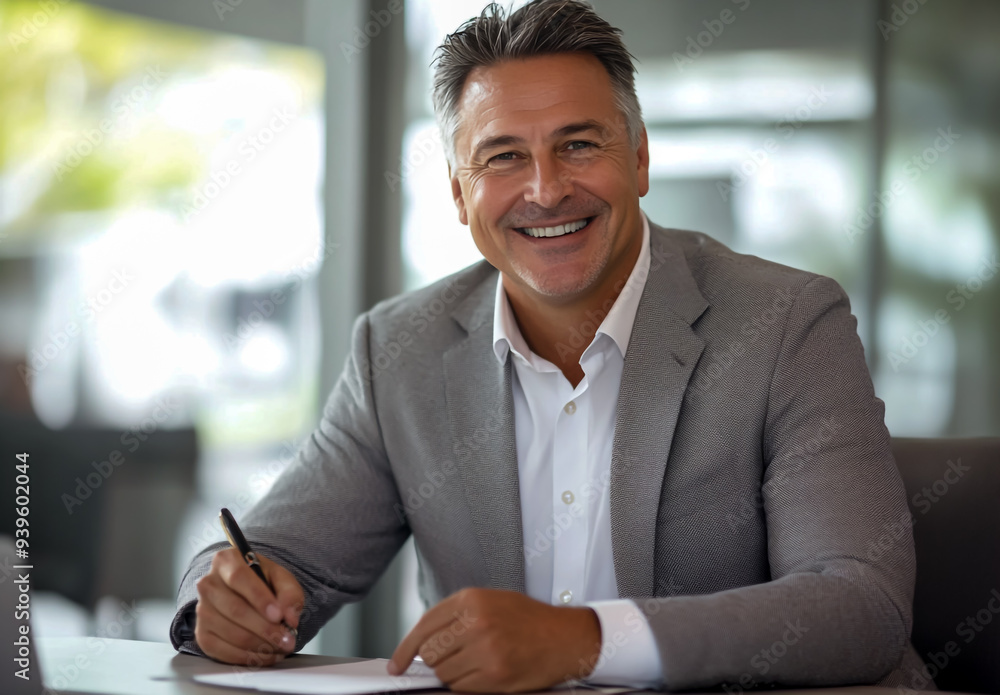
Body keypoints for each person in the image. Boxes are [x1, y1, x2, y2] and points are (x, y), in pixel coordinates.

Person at [171, 0, 932, 691]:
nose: (544, 189)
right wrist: (227, 597)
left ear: (638, 159)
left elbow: (857, 601)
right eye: (502, 156)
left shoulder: (788, 321)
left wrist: (585, 639)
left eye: (578, 144)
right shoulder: (397, 350)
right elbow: (274, 557)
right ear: (459, 192)